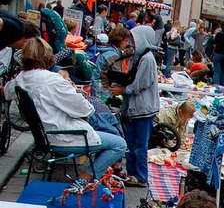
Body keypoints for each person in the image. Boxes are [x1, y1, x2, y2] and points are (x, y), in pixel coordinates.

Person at [5, 38, 126, 180]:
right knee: (119, 144)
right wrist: (74, 91)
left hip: (45, 136)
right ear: (47, 56)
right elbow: (85, 110)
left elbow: (6, 92)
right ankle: (83, 180)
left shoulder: (21, 78)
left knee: (105, 125)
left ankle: (91, 177)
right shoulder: (52, 80)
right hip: (63, 137)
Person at [109, 25, 159, 188]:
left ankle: (141, 176)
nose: (132, 42)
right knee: (131, 144)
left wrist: (123, 89)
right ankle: (132, 174)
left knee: (139, 145)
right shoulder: (140, 56)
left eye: (134, 39)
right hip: (135, 108)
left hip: (143, 109)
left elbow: (140, 84)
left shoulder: (147, 59)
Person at [93, 26, 131, 99]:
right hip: (104, 92)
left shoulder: (108, 51)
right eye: (125, 41)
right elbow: (118, 77)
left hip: (99, 88)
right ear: (119, 40)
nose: (127, 44)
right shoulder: (113, 55)